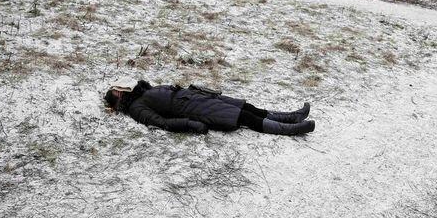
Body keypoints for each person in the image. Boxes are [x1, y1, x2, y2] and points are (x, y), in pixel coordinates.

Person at [103, 79, 314, 136]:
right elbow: (161, 122)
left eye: (119, 87)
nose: (122, 88)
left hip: (197, 98)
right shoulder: (136, 108)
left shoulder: (143, 91)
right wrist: (191, 125)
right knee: (244, 117)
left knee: (247, 106)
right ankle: (290, 129)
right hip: (194, 110)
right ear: (119, 97)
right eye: (117, 90)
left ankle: (291, 117)